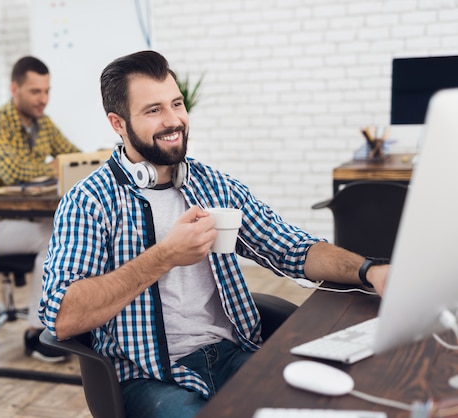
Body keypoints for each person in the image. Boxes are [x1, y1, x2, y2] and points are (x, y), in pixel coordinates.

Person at [40, 50, 389, 417]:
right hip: (149, 376)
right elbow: (61, 316)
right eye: (153, 110)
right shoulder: (89, 202)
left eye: (176, 103)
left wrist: (369, 270)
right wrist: (164, 256)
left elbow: (292, 247)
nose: (173, 120)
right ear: (118, 123)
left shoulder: (213, 185)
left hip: (231, 354)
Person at [0, 55, 80, 362]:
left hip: (19, 221)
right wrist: (54, 167)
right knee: (52, 238)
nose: (43, 99)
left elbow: (73, 157)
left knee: (69, 231)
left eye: (47, 91)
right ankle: (37, 335)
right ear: (15, 88)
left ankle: (69, 320)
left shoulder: (42, 123)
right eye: (35, 92)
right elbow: (12, 170)